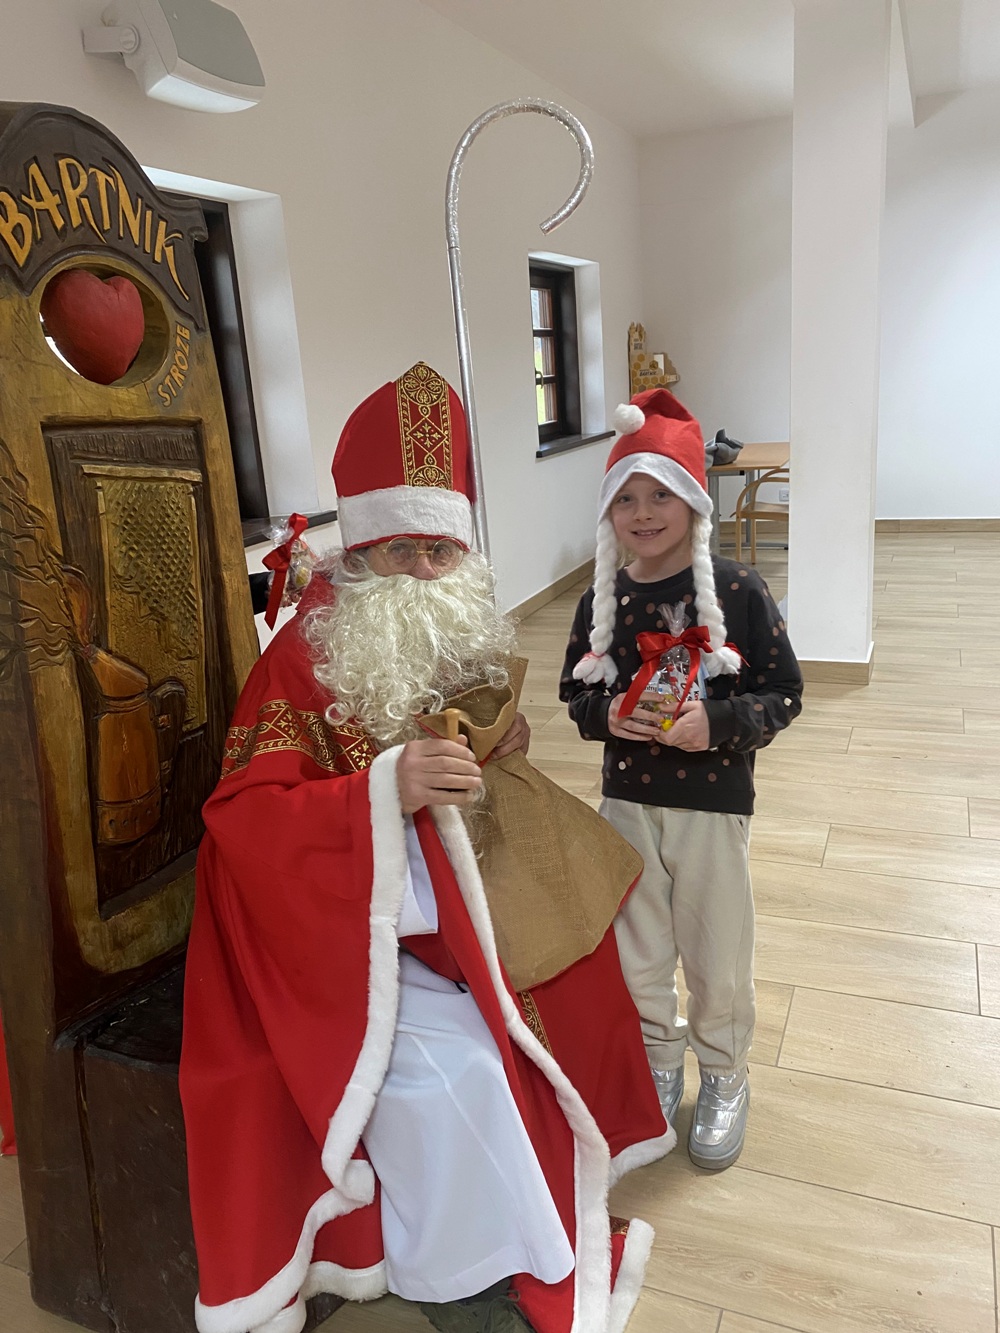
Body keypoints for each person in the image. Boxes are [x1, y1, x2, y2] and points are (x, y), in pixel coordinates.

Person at [180, 362, 671, 1333]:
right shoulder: (307, 654)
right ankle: (470, 1283)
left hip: (431, 905)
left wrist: (498, 741)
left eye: (442, 550)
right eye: (403, 549)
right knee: (463, 1075)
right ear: (363, 550)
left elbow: (456, 735)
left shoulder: (440, 626)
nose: (426, 573)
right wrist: (383, 791)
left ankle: (553, 1198)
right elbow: (246, 822)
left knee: (579, 972)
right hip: (317, 940)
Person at [560, 388, 803, 1171]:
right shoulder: (602, 600)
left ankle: (724, 1074)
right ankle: (658, 1066)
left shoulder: (739, 592)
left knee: (715, 951)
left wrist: (718, 723)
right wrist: (606, 714)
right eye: (626, 498)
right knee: (637, 952)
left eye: (659, 494)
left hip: (710, 808)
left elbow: (784, 692)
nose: (642, 512)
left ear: (693, 500)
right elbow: (574, 694)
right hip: (626, 805)